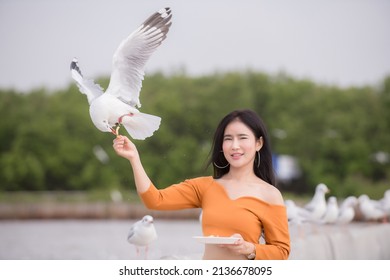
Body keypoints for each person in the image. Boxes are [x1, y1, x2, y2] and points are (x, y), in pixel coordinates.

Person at [113, 109, 290, 260]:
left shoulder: (269, 194)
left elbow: (282, 251)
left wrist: (250, 249)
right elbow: (155, 200)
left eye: (242, 138)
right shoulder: (204, 187)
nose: (235, 146)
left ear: (258, 143)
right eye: (228, 139)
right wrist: (134, 159)